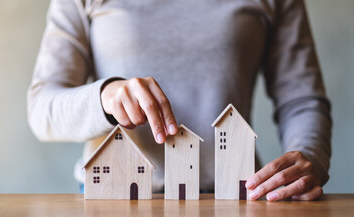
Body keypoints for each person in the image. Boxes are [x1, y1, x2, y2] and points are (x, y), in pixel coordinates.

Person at [27, 0, 332, 201]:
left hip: (234, 198)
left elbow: (302, 101)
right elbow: (42, 109)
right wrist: (105, 97)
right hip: (113, 199)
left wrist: (310, 156)